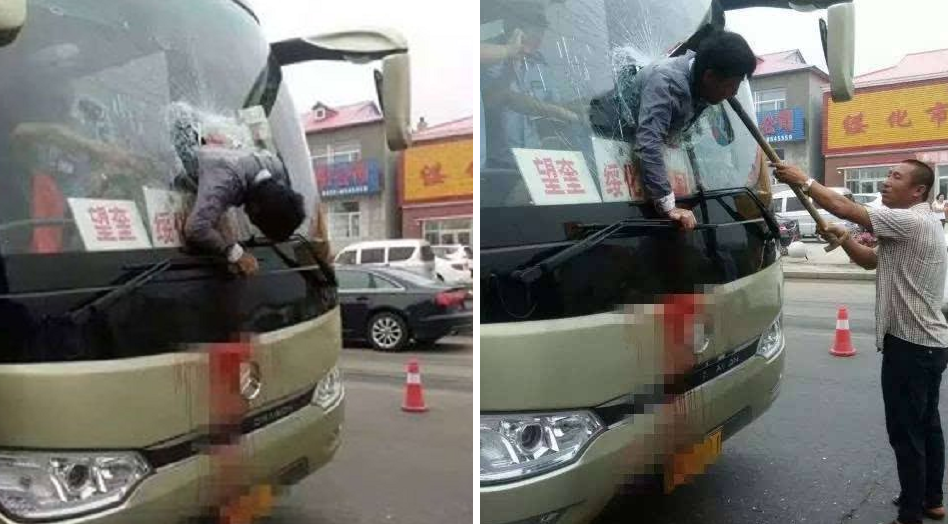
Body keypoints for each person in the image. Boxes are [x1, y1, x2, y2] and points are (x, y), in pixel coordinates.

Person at [774, 160, 948, 524]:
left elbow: (844, 207)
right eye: (887, 176)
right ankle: (931, 499)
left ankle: (911, 513)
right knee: (926, 425)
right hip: (927, 345)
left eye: (896, 178)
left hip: (912, 346)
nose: (886, 183)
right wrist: (846, 239)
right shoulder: (914, 225)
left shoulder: (912, 221)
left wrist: (802, 180)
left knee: (907, 432)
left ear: (918, 191)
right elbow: (871, 261)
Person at [616, 29, 757, 230]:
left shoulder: (703, 87)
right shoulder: (666, 82)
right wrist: (668, 207)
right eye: (731, 85)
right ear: (709, 77)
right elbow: (648, 143)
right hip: (613, 142)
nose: (733, 93)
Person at [171, 105, 305, 276]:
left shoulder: (273, 165)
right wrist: (236, 253)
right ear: (254, 210)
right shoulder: (224, 181)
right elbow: (196, 228)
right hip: (181, 129)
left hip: (203, 133)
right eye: (256, 224)